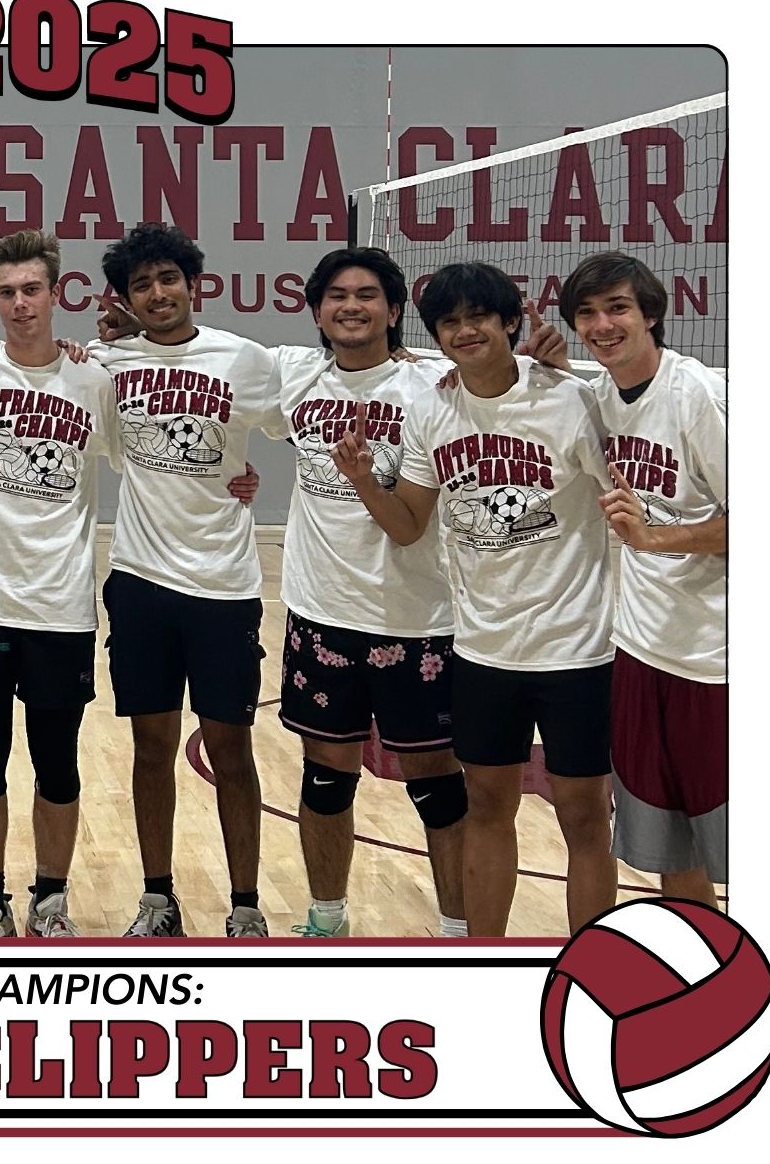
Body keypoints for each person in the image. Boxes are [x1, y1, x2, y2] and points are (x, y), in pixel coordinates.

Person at [331, 260, 616, 936]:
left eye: (478, 318)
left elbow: (627, 499)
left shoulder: (569, 400)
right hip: (485, 649)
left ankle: (591, 967)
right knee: (487, 806)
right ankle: (481, 963)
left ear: (511, 322)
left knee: (582, 815)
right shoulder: (434, 408)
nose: (465, 332)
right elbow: (409, 526)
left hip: (576, 647)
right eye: (451, 322)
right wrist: (365, 480)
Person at [89, 223, 288, 938]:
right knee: (150, 746)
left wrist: (250, 476)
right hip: (141, 580)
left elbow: (295, 429)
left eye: (167, 278)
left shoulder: (246, 359)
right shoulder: (109, 364)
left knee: (230, 748)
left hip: (223, 584)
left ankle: (244, 906)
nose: (157, 293)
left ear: (193, 282)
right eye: (141, 285)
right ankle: (158, 897)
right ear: (126, 298)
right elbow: (112, 449)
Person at [273, 248, 466, 938]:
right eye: (335, 296)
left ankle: (458, 929)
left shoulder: (438, 386)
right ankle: (327, 919)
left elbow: (522, 385)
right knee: (324, 780)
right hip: (321, 613)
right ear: (318, 311)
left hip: (418, 620)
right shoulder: (294, 379)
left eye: (365, 295)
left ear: (392, 309)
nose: (349, 306)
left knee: (439, 787)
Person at [0, 230, 119, 937]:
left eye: (31, 290)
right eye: (7, 293)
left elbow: (150, 455)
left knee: (57, 764)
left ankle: (51, 899)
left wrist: (239, 481)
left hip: (60, 609)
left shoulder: (92, 380)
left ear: (56, 293)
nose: (20, 304)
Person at [560, 252, 726, 905]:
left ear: (650, 313)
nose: (602, 324)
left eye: (617, 308)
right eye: (587, 313)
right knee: (671, 850)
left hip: (716, 660)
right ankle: (704, 972)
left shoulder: (697, 397)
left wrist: (657, 538)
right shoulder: (600, 399)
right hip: (641, 653)